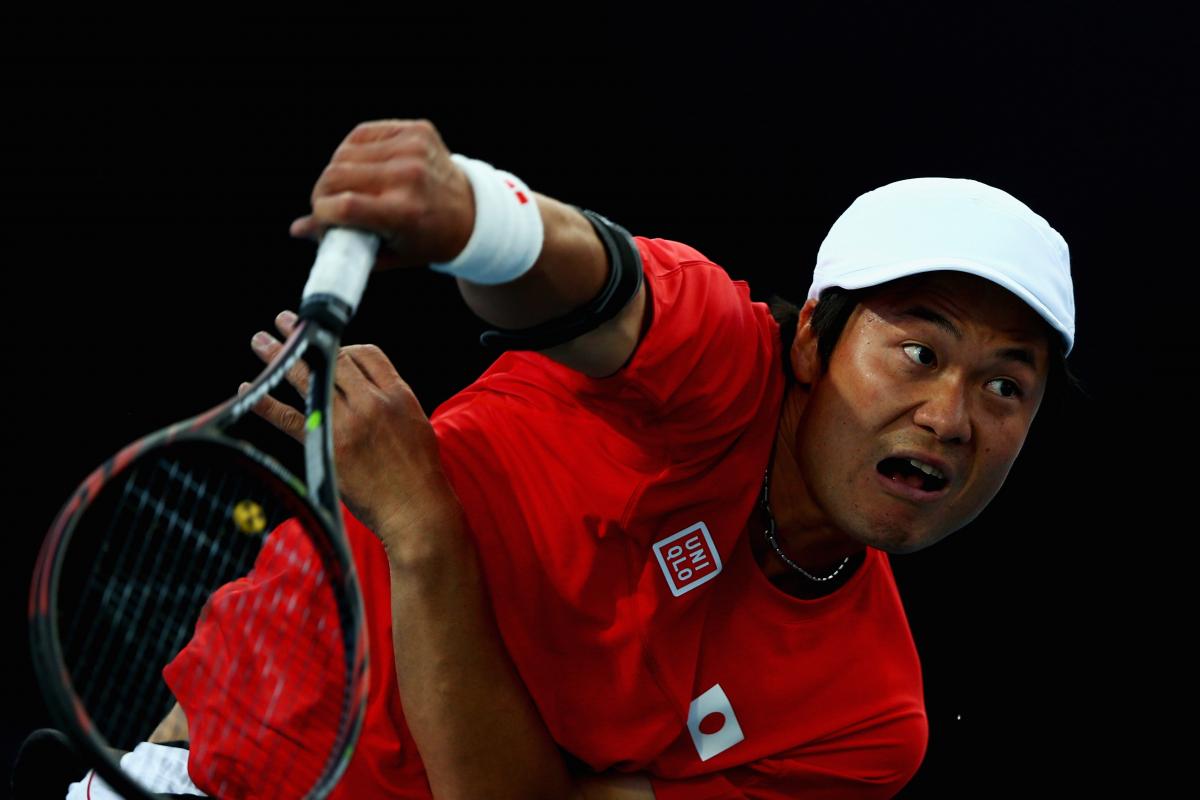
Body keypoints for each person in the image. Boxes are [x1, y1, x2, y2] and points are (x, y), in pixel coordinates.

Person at [60, 118, 1077, 800]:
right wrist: (470, 214)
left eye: (1005, 386)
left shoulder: (869, 718)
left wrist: (422, 527)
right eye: (919, 349)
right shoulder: (719, 359)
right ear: (812, 338)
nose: (950, 414)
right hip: (197, 776)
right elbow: (593, 280)